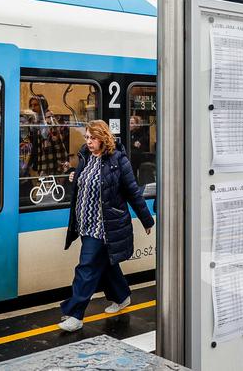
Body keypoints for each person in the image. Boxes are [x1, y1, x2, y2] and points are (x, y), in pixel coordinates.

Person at [58, 120, 155, 332]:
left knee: (86, 267)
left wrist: (146, 219)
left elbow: (132, 191)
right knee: (106, 265)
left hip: (104, 226)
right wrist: (74, 176)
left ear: (103, 138)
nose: (88, 141)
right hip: (85, 223)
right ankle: (122, 296)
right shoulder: (85, 156)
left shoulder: (117, 160)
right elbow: (83, 186)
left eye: (93, 138)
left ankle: (75, 314)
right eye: (87, 137)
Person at [27, 95, 69, 176]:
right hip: (37, 158)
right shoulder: (34, 120)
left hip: (49, 161)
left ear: (43, 105)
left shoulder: (49, 119)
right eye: (31, 105)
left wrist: (60, 164)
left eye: (35, 105)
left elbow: (57, 143)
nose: (33, 108)